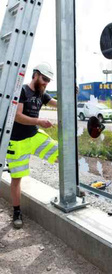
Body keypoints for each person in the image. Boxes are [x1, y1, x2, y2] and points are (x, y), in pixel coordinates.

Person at [6, 63, 58, 229]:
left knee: (61, 151)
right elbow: (17, 117)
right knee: (17, 178)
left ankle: (72, 191)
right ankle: (16, 212)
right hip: (17, 140)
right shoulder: (22, 91)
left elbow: (59, 103)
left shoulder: (42, 94)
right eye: (44, 79)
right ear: (35, 75)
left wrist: (70, 94)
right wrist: (39, 121)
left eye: (48, 81)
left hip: (34, 136)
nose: (45, 83)